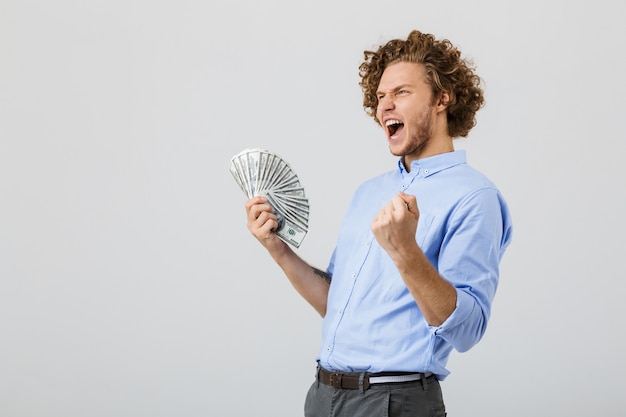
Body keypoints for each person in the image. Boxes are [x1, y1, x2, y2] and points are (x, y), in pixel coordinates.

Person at [243, 29, 513, 417]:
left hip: (394, 402)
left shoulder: (475, 197)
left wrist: (405, 252)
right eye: (381, 96)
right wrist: (278, 249)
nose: (385, 105)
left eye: (401, 92)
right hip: (322, 395)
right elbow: (334, 301)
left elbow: (467, 329)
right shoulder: (369, 192)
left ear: (442, 98)